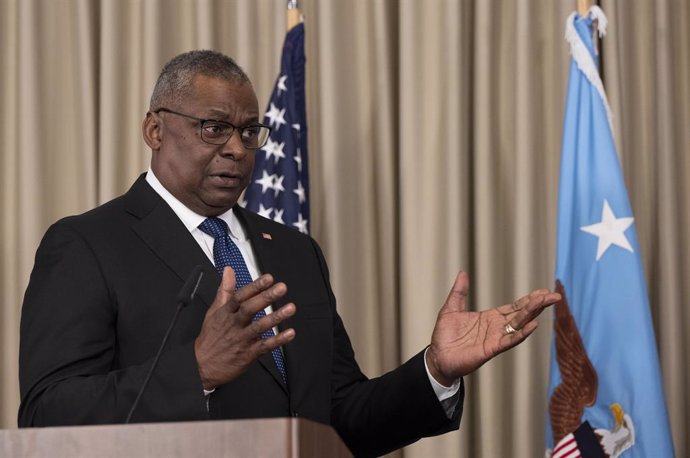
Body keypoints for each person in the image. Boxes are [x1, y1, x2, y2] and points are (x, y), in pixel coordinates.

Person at [18, 50, 560, 457]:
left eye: (249, 131)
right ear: (155, 130)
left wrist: (434, 371)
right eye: (214, 128)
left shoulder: (295, 252)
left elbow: (340, 417)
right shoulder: (87, 245)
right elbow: (48, 418)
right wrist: (197, 370)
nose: (236, 148)